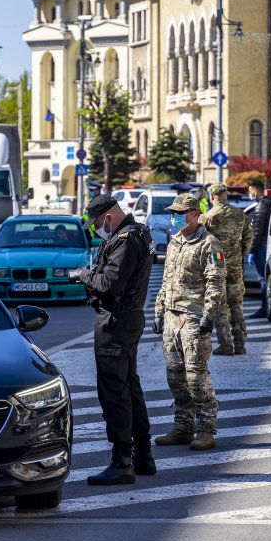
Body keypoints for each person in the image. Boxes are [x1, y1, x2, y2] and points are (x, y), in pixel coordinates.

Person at [79, 193, 156, 485]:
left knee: (114, 391)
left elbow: (109, 284)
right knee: (130, 386)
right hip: (129, 318)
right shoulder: (139, 233)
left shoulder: (125, 239)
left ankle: (122, 461)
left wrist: (84, 275)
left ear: (108, 218)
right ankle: (143, 456)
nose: (97, 228)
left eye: (97, 223)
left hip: (115, 321)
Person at [153, 193, 224, 451]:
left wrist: (209, 314)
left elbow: (216, 282)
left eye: (180, 213)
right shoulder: (175, 242)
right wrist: (159, 311)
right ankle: (183, 426)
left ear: (194, 214)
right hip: (172, 317)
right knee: (175, 376)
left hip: (194, 318)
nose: (175, 217)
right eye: (173, 212)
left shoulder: (209, 243)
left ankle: (206, 429)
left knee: (195, 376)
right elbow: (166, 280)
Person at [202, 183, 254, 356]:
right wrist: (242, 253)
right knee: (237, 305)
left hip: (217, 267)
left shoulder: (208, 217)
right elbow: (249, 236)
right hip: (235, 267)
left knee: (221, 306)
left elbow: (202, 242)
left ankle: (226, 345)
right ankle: (240, 344)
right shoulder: (240, 214)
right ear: (226, 195)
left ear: (211, 196)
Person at [246, 180, 271, 320]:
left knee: (262, 279)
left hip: (261, 246)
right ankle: (267, 306)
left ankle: (265, 308)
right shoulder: (268, 203)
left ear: (256, 190)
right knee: (266, 279)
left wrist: (251, 250)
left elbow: (257, 231)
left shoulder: (260, 206)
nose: (250, 193)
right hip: (266, 245)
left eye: (250, 190)